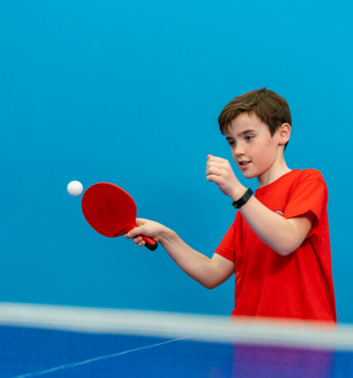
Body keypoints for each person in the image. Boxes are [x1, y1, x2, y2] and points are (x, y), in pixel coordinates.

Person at [125, 88, 336, 322]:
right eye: (231, 141)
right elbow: (211, 273)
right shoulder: (247, 212)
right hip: (248, 343)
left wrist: (237, 191)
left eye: (249, 137)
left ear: (283, 133)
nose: (238, 151)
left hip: (303, 344)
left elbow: (287, 241)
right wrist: (165, 235)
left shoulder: (307, 181)